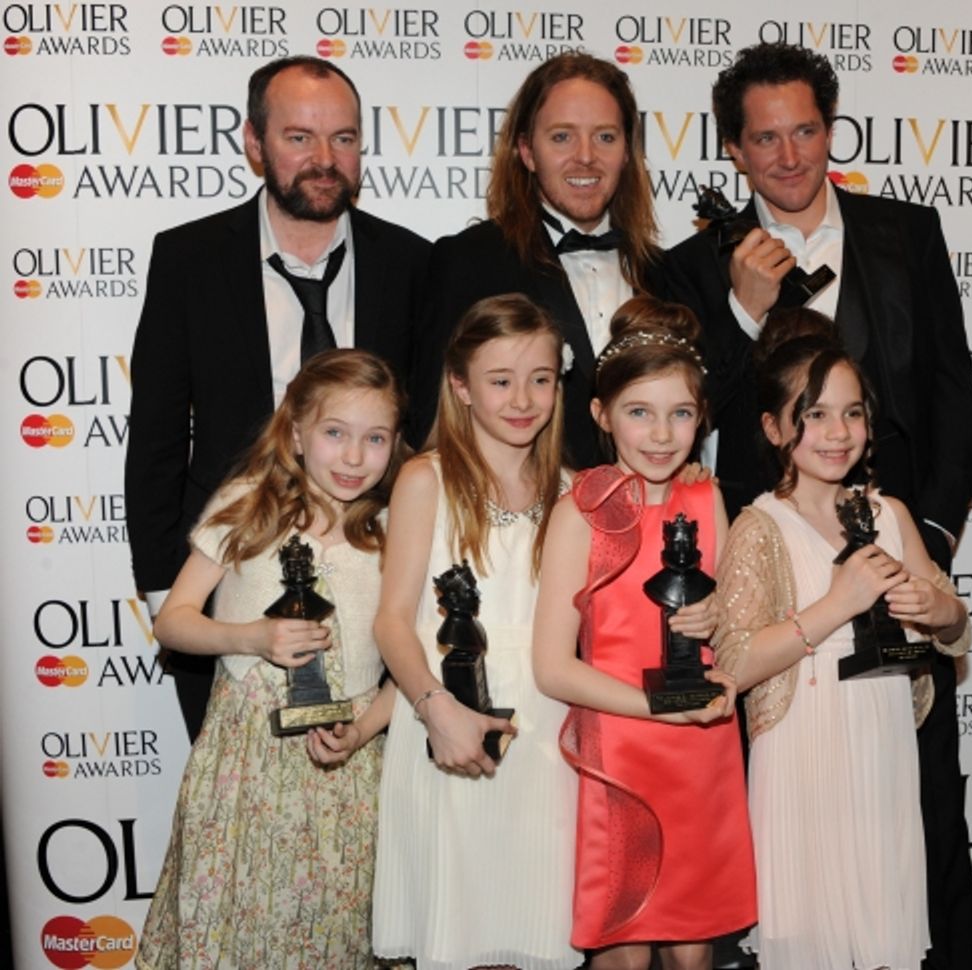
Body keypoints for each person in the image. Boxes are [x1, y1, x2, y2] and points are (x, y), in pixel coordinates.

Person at [665, 43, 972, 969]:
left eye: (806, 131)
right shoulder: (693, 266)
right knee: (781, 827)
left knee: (919, 812)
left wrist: (923, 547)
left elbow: (953, 399)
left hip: (895, 572)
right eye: (766, 139)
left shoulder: (907, 233)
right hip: (773, 575)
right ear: (734, 150)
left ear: (831, 129)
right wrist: (741, 314)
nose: (790, 155)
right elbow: (683, 420)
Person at [126, 55, 430, 741]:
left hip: (378, 591)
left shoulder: (411, 263)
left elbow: (430, 431)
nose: (325, 159)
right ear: (254, 143)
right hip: (227, 597)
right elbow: (156, 439)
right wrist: (170, 597)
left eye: (343, 138)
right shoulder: (189, 259)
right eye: (299, 137)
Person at [712, 311, 971, 970]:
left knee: (883, 931)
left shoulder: (890, 514)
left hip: (882, 749)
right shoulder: (758, 527)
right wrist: (835, 605)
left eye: (852, 414)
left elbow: (955, 631)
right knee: (811, 938)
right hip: (801, 755)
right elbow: (736, 663)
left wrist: (938, 609)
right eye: (815, 415)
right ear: (774, 428)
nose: (837, 432)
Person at [136, 349, 405, 970]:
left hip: (346, 770)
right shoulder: (248, 502)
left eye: (375, 438)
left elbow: (417, 662)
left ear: (395, 445)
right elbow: (173, 621)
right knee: (239, 927)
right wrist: (253, 637)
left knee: (334, 933)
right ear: (296, 432)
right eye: (335, 433)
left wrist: (364, 729)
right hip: (244, 763)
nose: (354, 457)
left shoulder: (395, 530)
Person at [533, 297, 756, 970]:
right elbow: (552, 667)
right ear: (601, 414)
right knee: (624, 951)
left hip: (703, 749)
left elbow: (733, 631)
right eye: (639, 412)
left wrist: (720, 628)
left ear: (702, 419)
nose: (661, 435)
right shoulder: (581, 511)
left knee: (695, 950)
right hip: (621, 752)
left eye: (680, 414)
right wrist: (657, 708)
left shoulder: (706, 499)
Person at [371, 294, 580, 970]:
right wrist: (437, 711)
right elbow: (393, 621)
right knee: (462, 938)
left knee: (538, 934)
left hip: (549, 734)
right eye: (500, 380)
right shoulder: (425, 480)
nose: (523, 399)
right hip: (447, 720)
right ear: (460, 386)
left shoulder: (575, 491)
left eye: (540, 379)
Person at [409, 52, 665, 470]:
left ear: (626, 152)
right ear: (527, 151)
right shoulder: (469, 260)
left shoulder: (663, 272)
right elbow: (431, 419)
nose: (586, 156)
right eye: (562, 137)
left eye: (605, 137)